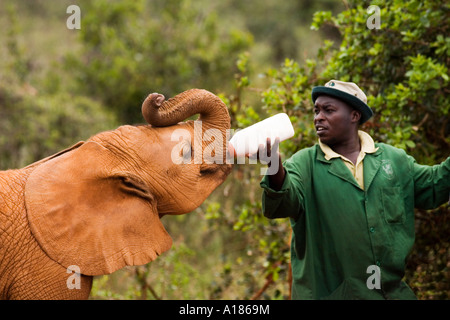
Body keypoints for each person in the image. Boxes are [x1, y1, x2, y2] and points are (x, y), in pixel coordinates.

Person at [258, 80, 450, 300]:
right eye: (316, 110)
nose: (318, 117)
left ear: (354, 116)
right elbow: (280, 204)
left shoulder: (393, 160)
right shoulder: (305, 164)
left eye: (329, 110)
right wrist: (272, 164)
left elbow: (436, 185)